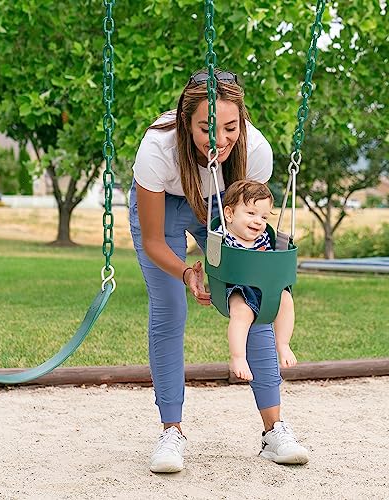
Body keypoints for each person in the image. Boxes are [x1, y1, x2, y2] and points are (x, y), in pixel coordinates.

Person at [129, 69, 309, 473]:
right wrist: (187, 272)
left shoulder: (256, 151)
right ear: (185, 121)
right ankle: (171, 432)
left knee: (256, 300)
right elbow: (155, 242)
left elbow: (251, 221)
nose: (221, 139)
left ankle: (274, 430)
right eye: (207, 128)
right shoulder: (158, 148)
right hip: (164, 208)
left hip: (221, 205)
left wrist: (250, 269)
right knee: (170, 309)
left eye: (231, 127)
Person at [215, 180, 297, 382]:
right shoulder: (223, 236)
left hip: (265, 286)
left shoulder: (265, 238)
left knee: (286, 299)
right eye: (251, 214)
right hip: (236, 287)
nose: (259, 221)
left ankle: (283, 344)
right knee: (241, 311)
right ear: (229, 214)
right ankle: (238, 357)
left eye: (264, 216)